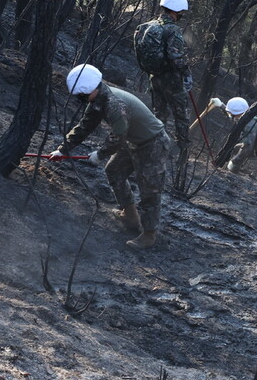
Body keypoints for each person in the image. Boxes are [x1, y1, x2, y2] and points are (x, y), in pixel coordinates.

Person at [50, 64, 170, 248]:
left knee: (150, 191)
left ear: (89, 90)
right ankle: (130, 215)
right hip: (133, 141)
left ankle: (149, 235)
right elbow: (85, 126)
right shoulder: (99, 98)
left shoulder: (114, 104)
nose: (81, 100)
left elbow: (118, 137)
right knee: (114, 171)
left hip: (152, 144)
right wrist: (63, 149)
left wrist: (100, 154)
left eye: (81, 97)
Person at [133, 0, 192, 184]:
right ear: (176, 11)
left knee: (159, 115)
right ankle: (183, 158)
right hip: (172, 80)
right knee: (181, 116)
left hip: (154, 77)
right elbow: (176, 58)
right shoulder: (172, 30)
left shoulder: (146, 27)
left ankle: (153, 150)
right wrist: (186, 74)